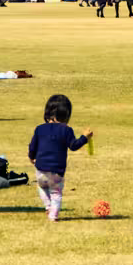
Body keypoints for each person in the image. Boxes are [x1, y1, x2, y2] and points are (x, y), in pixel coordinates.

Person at [28, 93, 92, 222]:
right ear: (67, 115)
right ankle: (53, 215)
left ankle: (48, 206)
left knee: (42, 187)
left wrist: (31, 157)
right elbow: (73, 146)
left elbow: (32, 146)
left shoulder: (39, 129)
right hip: (57, 171)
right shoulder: (66, 130)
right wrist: (85, 137)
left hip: (40, 169)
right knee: (56, 193)